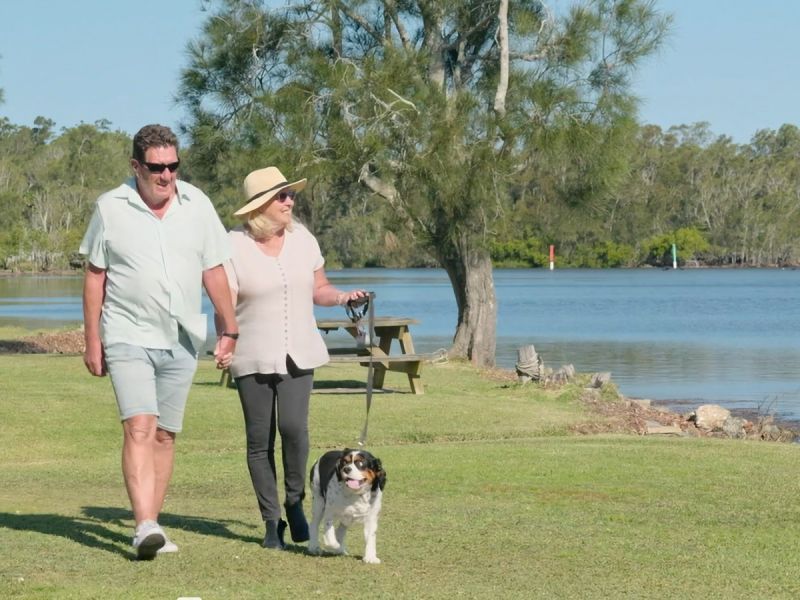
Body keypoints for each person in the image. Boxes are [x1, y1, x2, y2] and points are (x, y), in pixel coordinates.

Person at [79, 124, 238, 560]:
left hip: (182, 337)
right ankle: (144, 526)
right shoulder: (111, 207)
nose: (166, 175)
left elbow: (213, 271)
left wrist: (230, 329)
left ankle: (153, 523)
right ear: (136, 166)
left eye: (173, 166)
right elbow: (95, 276)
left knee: (165, 435)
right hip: (127, 333)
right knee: (140, 426)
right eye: (156, 167)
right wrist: (92, 339)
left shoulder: (198, 204)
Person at [219, 166, 366, 550]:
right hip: (251, 353)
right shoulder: (231, 244)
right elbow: (224, 302)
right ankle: (272, 522)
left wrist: (342, 297)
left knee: (294, 429)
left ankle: (295, 500)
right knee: (259, 442)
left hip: (299, 351)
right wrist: (225, 339)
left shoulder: (303, 239)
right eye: (281, 196)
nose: (290, 201)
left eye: (291, 195)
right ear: (260, 204)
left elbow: (320, 288)